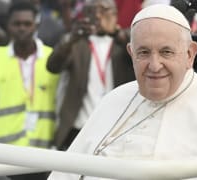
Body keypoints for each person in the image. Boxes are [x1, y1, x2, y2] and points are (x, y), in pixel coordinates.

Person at [48, 4, 197, 180]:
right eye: (144, 52)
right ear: (131, 53)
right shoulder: (113, 100)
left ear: (190, 54)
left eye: (166, 52)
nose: (154, 66)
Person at [0, 2, 59, 180]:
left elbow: (58, 104)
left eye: (27, 24)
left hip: (44, 156)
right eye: (17, 24)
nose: (22, 28)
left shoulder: (51, 58)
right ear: (8, 26)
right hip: (4, 155)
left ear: (36, 26)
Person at [47, 0, 135, 150]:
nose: (99, 15)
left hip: (114, 127)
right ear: (86, 14)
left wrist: (115, 32)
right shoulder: (77, 42)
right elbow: (53, 66)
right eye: (94, 11)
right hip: (79, 126)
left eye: (105, 10)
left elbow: (137, 52)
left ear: (115, 14)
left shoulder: (124, 42)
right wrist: (71, 39)